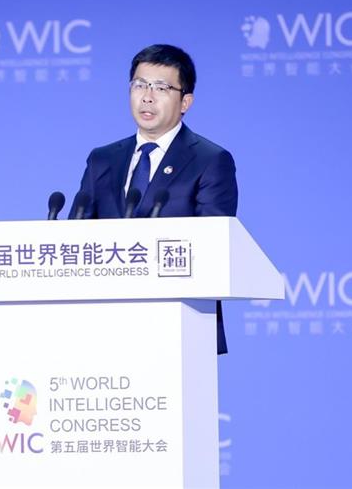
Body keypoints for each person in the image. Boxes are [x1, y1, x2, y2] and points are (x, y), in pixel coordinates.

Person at [71, 44, 237, 354]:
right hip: (103, 326)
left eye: (161, 88)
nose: (147, 96)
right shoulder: (102, 159)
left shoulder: (210, 160)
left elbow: (213, 248)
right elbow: (76, 239)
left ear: (185, 101)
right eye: (139, 85)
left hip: (180, 326)